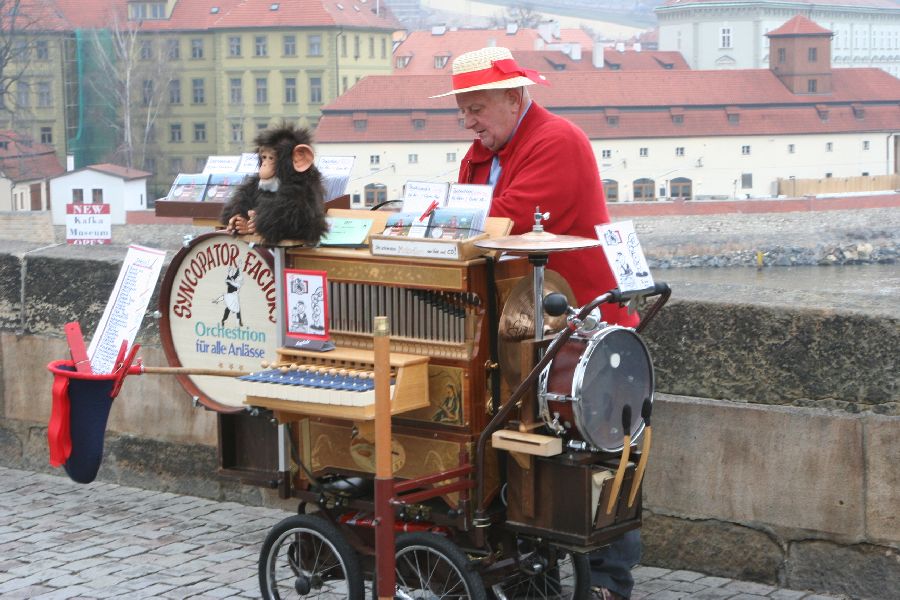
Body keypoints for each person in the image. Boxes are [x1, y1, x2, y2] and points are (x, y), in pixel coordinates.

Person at [434, 46, 640, 599]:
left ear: (515, 96)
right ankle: (531, 573)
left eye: (476, 109)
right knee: (524, 450)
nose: (468, 122)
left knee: (593, 451)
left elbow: (508, 220)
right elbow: (469, 221)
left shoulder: (557, 140)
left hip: (583, 322)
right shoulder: (480, 154)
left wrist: (444, 219)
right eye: (462, 111)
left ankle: (607, 582)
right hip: (523, 324)